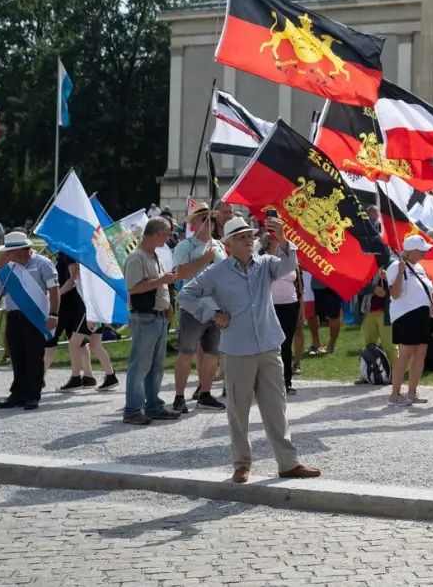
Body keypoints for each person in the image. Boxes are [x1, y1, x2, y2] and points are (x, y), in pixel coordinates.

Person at [178, 216, 320, 483]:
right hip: (237, 350)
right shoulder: (216, 272)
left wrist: (284, 239)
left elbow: (290, 265)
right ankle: (241, 464)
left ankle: (288, 463)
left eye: (250, 235)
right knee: (238, 409)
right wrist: (212, 315)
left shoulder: (265, 264)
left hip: (268, 346)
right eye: (241, 236)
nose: (248, 239)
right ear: (229, 243)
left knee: (276, 407)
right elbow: (184, 295)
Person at [0, 232, 59, 410]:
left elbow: (54, 290)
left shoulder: (43, 263)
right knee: (17, 355)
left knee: (34, 356)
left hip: (34, 317)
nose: (6, 255)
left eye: (8, 252)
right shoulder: (10, 267)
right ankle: (17, 394)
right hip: (13, 316)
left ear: (21, 250)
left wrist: (53, 314)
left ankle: (32, 395)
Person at [122, 217, 181, 424]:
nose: (168, 237)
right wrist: (163, 281)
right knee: (140, 366)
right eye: (166, 233)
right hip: (144, 318)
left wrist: (167, 305)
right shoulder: (137, 257)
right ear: (156, 233)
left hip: (158, 317)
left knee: (156, 365)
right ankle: (132, 410)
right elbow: (133, 288)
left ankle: (153, 405)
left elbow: (157, 285)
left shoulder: (154, 256)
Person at [170, 204, 226, 414]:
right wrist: (203, 260)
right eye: (204, 219)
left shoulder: (219, 246)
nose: (209, 223)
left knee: (212, 353)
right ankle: (179, 396)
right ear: (194, 223)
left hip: (217, 307)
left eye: (210, 219)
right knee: (186, 352)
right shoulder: (185, 246)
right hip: (194, 307)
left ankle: (205, 393)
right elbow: (179, 274)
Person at [53, 252, 117, 391]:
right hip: (95, 306)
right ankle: (110, 376)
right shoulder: (93, 258)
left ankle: (76, 378)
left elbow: (72, 280)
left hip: (89, 308)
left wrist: (54, 295)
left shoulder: (75, 256)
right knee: (95, 344)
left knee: (74, 344)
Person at [387, 235, 433, 406]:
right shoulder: (395, 266)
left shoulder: (420, 267)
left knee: (421, 353)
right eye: (423, 250)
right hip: (405, 315)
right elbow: (394, 293)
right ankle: (395, 394)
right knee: (406, 354)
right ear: (414, 250)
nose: (425, 252)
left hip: (422, 315)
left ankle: (412, 392)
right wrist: (400, 272)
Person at [261, 230, 303, 396]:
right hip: (270, 306)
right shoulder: (262, 260)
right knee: (271, 345)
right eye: (276, 239)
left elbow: (299, 285)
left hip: (290, 305)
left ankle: (286, 382)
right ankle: (268, 382)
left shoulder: (289, 259)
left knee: (286, 345)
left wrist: (301, 308)